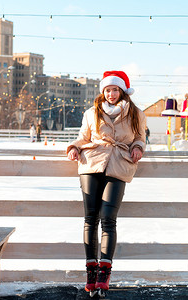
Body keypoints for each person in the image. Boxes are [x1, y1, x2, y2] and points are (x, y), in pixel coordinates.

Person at [66, 70, 146, 297]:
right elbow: (83, 137)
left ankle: (104, 272)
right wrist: (74, 147)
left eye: (115, 89)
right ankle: (90, 270)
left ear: (122, 91)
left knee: (108, 219)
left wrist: (138, 147)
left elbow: (140, 137)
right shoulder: (92, 113)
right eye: (108, 90)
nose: (111, 94)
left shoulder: (136, 113)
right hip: (91, 164)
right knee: (90, 218)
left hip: (119, 165)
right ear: (103, 92)